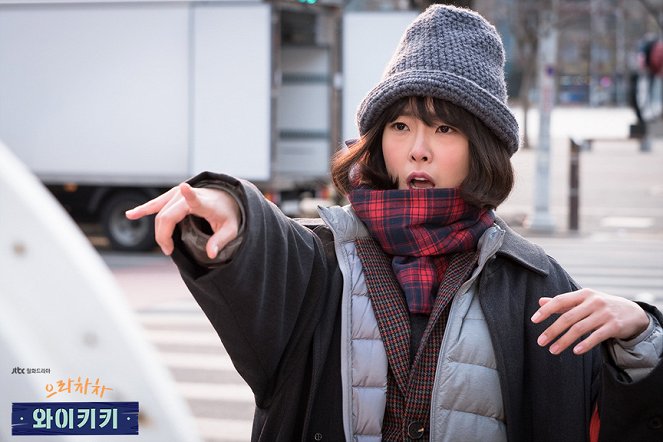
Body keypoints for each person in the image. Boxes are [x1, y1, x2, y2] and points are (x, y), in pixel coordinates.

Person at [127, 4, 663, 441]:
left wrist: (641, 337)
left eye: (445, 128)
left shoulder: (536, 285)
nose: (419, 150)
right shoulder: (322, 263)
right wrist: (232, 206)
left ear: (482, 148)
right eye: (401, 125)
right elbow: (265, 247)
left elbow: (613, 419)